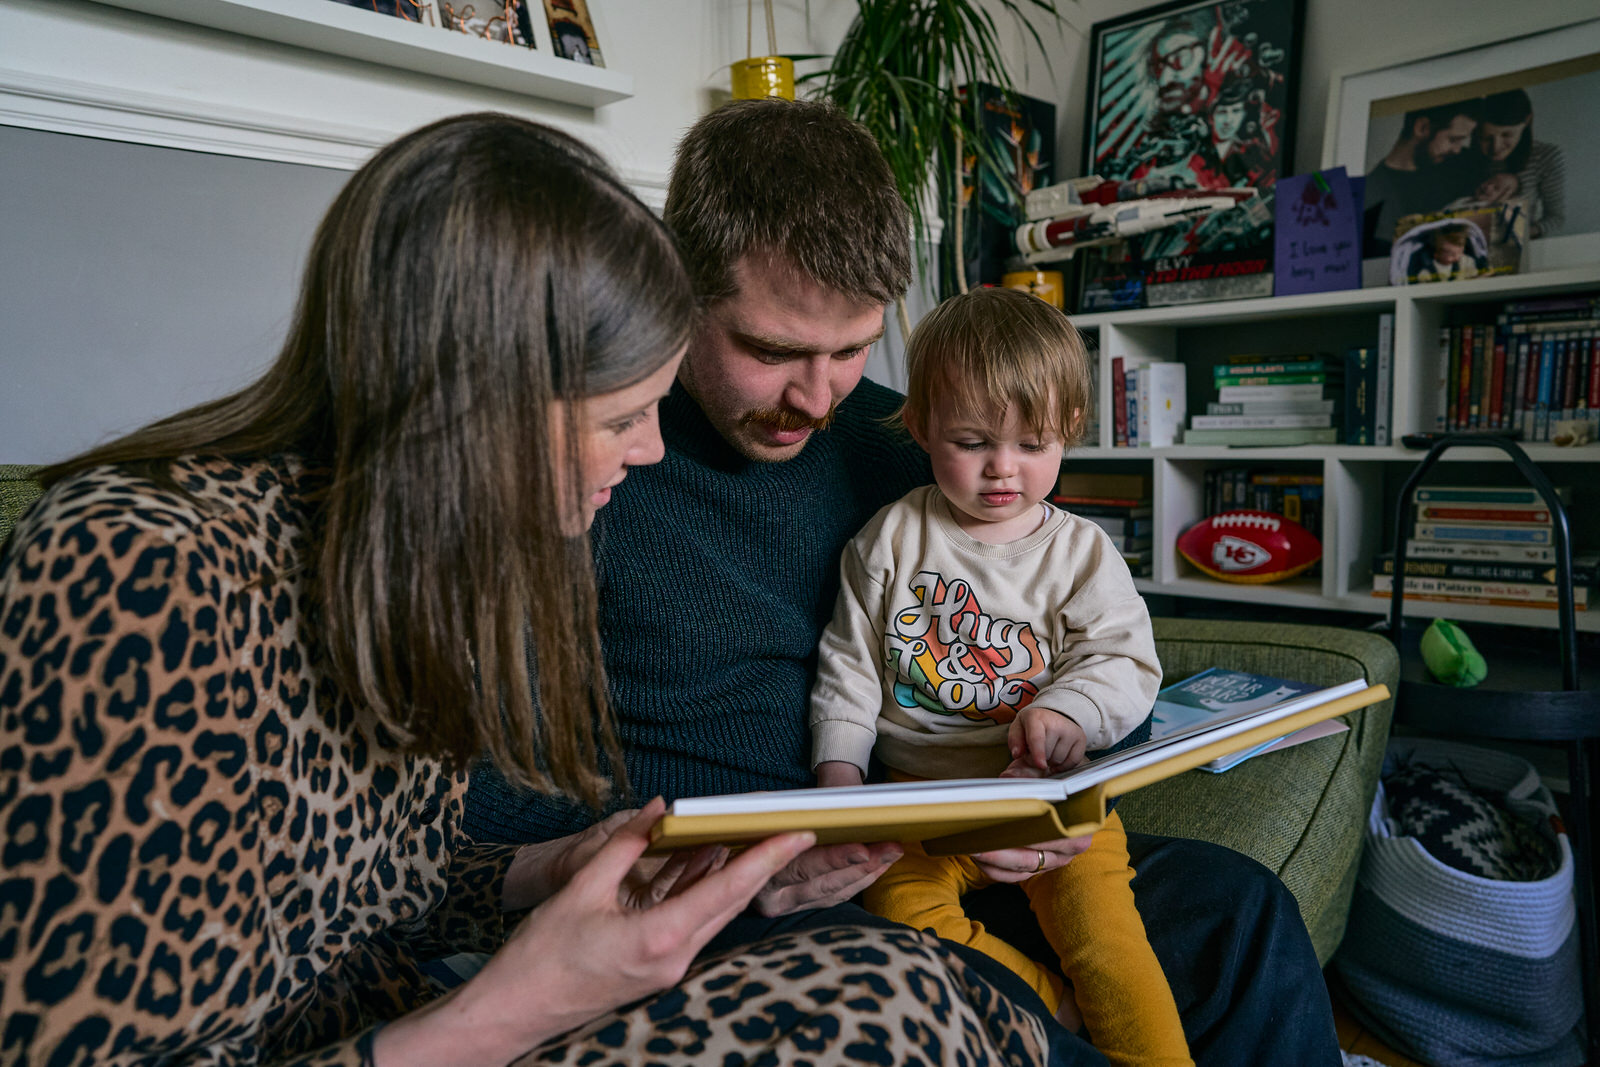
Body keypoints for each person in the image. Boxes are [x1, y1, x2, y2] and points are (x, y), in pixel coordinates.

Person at [0, 113, 1063, 1066]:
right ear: (473, 398)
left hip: (427, 1004)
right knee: (887, 992)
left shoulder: (415, 554)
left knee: (918, 985)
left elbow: (397, 878)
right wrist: (525, 1000)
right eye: (618, 417)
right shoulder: (138, 571)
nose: (651, 451)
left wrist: (570, 866)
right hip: (434, 1032)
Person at [466, 97, 1344, 1066]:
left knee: (1238, 914)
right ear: (674, 288)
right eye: (770, 350)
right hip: (730, 886)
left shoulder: (917, 441)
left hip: (951, 820)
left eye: (848, 349)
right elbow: (482, 793)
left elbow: (1079, 634)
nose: (815, 395)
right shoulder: (594, 461)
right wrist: (707, 867)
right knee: (998, 1011)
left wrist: (1065, 780)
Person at [809, 287, 1192, 1066]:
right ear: (919, 427)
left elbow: (1125, 660)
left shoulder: (1080, 551)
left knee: (1109, 942)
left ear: (1070, 433)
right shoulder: (889, 539)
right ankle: (1048, 1012)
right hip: (920, 802)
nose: (1001, 469)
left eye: (1032, 443)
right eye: (972, 440)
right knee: (898, 912)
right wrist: (839, 781)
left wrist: (1072, 712)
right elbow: (847, 666)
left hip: (1048, 802)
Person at [1362, 99, 1482, 256]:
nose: (1457, 150)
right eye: (1453, 140)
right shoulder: (1374, 194)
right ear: (1422, 128)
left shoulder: (1459, 165)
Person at [1459, 88, 1566, 237]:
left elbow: (1556, 219)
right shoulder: (1461, 157)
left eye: (1507, 135)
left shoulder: (1545, 156)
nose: (1496, 147)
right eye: (1486, 138)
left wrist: (1520, 234)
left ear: (1527, 121)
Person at [1404, 222, 1483, 282]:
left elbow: (1474, 276)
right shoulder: (1430, 269)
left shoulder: (1466, 261)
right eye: (1451, 254)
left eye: (1460, 253)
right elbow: (1423, 280)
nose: (1457, 257)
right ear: (1436, 255)